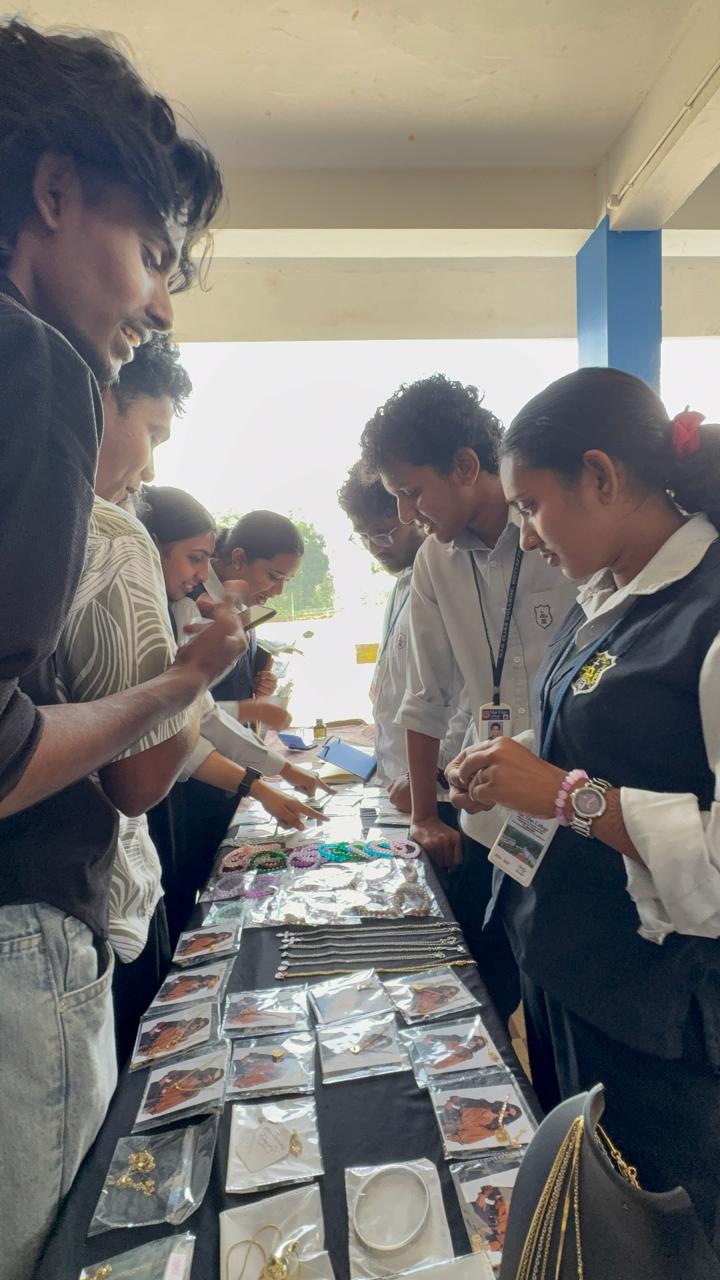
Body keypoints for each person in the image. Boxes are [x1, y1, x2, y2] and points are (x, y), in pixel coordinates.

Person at [0, 21, 242, 1278]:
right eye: (150, 253)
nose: (155, 304)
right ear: (53, 192)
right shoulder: (35, 363)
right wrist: (181, 683)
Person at [452, 367, 720, 1244]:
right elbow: (596, 744)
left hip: (658, 1012)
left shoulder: (707, 615)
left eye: (531, 505)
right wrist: (511, 769)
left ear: (601, 476)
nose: (526, 535)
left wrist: (564, 794)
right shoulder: (602, 596)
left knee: (662, 1233)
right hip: (571, 968)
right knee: (584, 1210)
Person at [360, 374, 575, 1025]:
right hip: (487, 816)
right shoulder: (435, 562)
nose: (406, 515)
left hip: (571, 803)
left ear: (464, 466)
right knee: (493, 987)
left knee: (565, 992)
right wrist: (427, 816)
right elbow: (425, 696)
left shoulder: (556, 537)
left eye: (411, 492)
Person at [57, 334, 200, 1060]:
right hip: (84, 909)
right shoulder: (109, 534)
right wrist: (196, 677)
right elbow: (137, 782)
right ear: (101, 395)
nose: (147, 469)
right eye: (151, 433)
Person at [140, 486, 326, 944]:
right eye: (195, 559)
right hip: (170, 789)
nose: (200, 575)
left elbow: (197, 712)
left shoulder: (208, 605)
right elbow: (179, 726)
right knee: (174, 905)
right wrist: (259, 781)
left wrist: (277, 770)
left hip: (208, 768)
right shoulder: (178, 610)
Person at [338, 461, 470, 814]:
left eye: (382, 533)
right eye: (363, 536)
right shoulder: (401, 586)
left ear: (414, 515)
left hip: (439, 793)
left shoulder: (451, 584)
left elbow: (471, 696)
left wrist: (433, 774)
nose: (374, 547)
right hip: (397, 785)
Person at [197, 510, 305, 727]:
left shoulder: (245, 605)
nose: (279, 591)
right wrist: (253, 709)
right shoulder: (189, 602)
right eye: (274, 576)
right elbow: (180, 708)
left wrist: (258, 684)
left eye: (287, 580)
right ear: (238, 558)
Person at [439, 1096, 522, 1146]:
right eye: (507, 1109)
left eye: (509, 1115)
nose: (506, 1112)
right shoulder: (485, 1104)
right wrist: (451, 1102)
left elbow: (473, 1136)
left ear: (509, 1118)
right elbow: (462, 1100)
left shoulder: (494, 1127)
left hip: (453, 1126)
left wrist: (455, 1137)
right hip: (451, 1112)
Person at [144, 1065, 224, 1116]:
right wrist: (165, 1078)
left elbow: (173, 1102)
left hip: (158, 1100)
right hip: (156, 1088)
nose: (209, 1077)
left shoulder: (194, 1091)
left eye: (212, 1078)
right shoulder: (192, 1073)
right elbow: (172, 1075)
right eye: (211, 1074)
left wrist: (156, 1108)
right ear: (208, 1071)